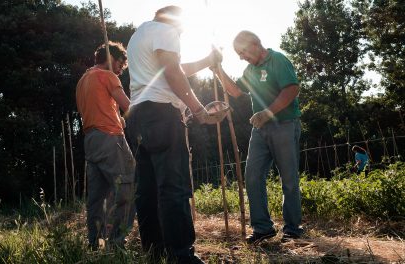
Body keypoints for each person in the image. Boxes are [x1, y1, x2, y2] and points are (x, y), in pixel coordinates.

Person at [126, 5, 223, 264]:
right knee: (174, 188)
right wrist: (199, 110)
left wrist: (206, 61)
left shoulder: (139, 35)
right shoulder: (167, 30)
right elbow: (172, 72)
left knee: (147, 190)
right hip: (162, 114)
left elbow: (173, 67)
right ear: (177, 23)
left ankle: (154, 252)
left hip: (137, 116)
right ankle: (182, 255)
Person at [211, 30, 304, 243]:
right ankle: (263, 228)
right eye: (238, 54)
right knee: (252, 176)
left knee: (288, 179)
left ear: (255, 44)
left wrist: (268, 113)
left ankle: (293, 228)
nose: (241, 57)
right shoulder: (250, 70)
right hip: (260, 129)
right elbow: (235, 91)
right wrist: (218, 69)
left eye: (242, 52)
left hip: (284, 125)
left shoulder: (277, 60)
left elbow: (291, 90)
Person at [76, 41, 135, 250]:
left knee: (97, 197)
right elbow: (128, 105)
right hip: (110, 138)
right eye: (120, 64)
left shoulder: (83, 80)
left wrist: (119, 118)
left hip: (91, 140)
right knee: (127, 186)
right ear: (112, 58)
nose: (120, 69)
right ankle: (117, 244)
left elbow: (99, 108)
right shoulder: (108, 76)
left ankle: (96, 244)